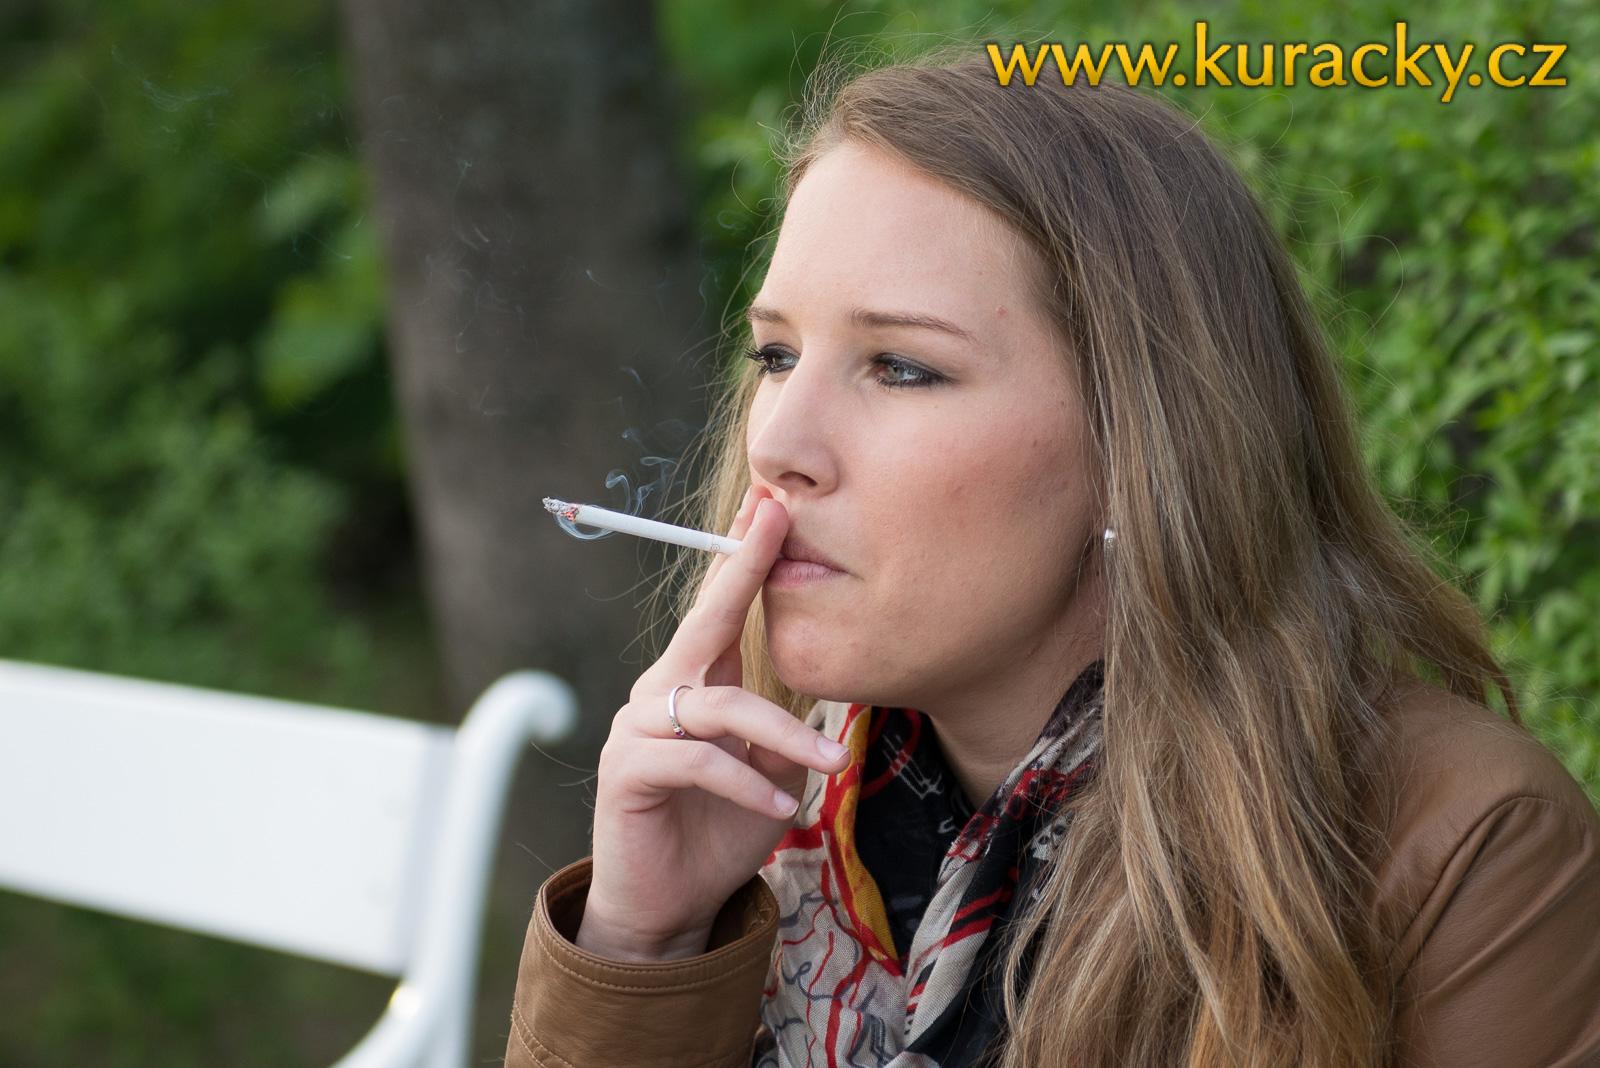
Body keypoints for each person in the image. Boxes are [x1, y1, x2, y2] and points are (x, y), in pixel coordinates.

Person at [503, 48, 1600, 1068]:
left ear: (1142, 445)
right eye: (777, 354)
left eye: (900, 367)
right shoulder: (769, 813)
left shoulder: (1452, 846)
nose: (778, 444)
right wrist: (647, 943)